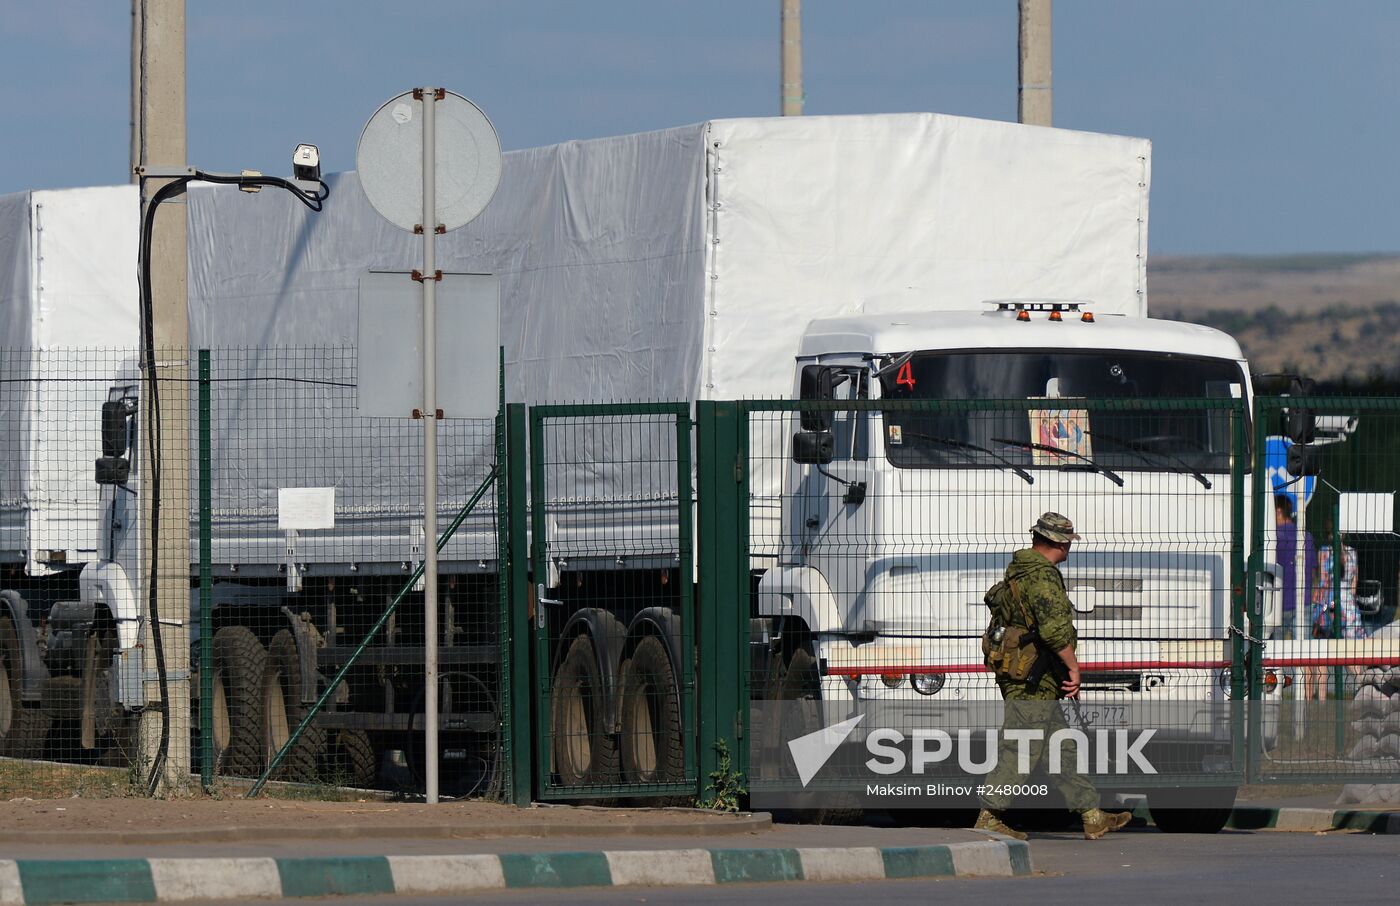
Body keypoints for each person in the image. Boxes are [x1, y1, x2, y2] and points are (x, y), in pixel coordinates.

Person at [974, 512, 1132, 841]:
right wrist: (1074, 669)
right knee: (1022, 744)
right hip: (1031, 676)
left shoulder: (1022, 569)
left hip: (1033, 674)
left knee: (1059, 747)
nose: (1069, 550)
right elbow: (1055, 630)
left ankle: (1091, 815)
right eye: (1067, 543)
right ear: (1059, 543)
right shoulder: (1042, 577)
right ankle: (990, 815)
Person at [1273, 495, 1315, 639]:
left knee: (1274, 653)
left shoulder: (1274, 538)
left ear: (1278, 511)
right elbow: (1313, 570)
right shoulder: (1306, 537)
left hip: (1278, 603)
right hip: (1303, 601)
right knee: (1303, 653)